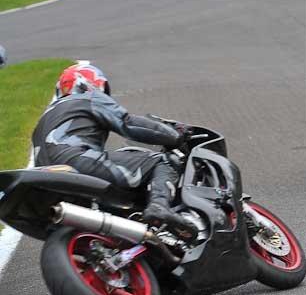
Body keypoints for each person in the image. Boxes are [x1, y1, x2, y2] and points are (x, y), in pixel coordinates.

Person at [31, 62, 197, 239]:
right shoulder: (89, 98)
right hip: (77, 162)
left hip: (46, 181)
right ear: (91, 83)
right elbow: (128, 124)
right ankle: (159, 205)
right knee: (161, 161)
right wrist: (174, 135)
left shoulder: (42, 121)